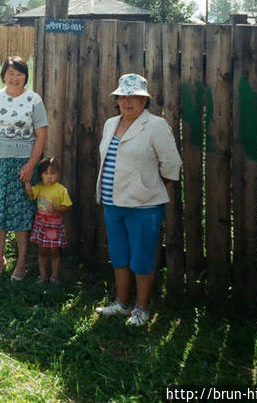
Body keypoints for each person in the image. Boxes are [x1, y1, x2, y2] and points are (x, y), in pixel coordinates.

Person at [94, 73, 181, 327]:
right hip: (112, 202)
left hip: (143, 207)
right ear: (117, 99)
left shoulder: (155, 126)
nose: (127, 102)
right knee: (119, 254)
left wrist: (147, 187)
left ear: (145, 101)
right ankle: (121, 303)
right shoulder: (110, 123)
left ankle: (141, 308)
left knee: (142, 258)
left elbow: (171, 166)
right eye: (123, 97)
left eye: (134, 97)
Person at [0, 56, 48, 281]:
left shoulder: (33, 100)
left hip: (21, 166)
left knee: (20, 214)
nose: (14, 78)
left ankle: (21, 263)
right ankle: (0, 260)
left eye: (19, 73)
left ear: (25, 75)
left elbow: (42, 135)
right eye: (10, 73)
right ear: (3, 75)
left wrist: (30, 165)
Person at [24, 157, 72, 285]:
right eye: (46, 174)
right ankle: (43, 275)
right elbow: (31, 194)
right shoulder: (39, 187)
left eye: (53, 173)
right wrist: (26, 183)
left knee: (55, 251)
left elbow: (68, 206)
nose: (49, 177)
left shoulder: (61, 190)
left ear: (58, 174)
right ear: (41, 175)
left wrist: (56, 209)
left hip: (54, 226)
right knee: (42, 250)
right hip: (41, 224)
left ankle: (54, 276)